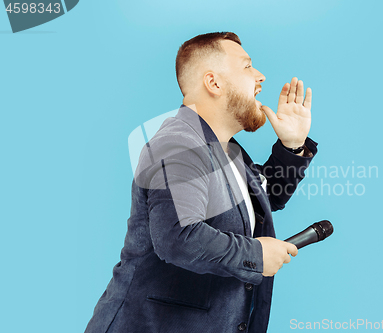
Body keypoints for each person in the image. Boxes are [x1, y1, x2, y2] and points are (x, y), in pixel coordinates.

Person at [84, 31, 318, 333]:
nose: (260, 76)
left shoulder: (227, 150)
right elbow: (179, 238)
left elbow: (261, 200)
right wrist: (255, 255)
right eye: (247, 67)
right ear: (214, 83)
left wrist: (292, 147)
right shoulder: (178, 144)